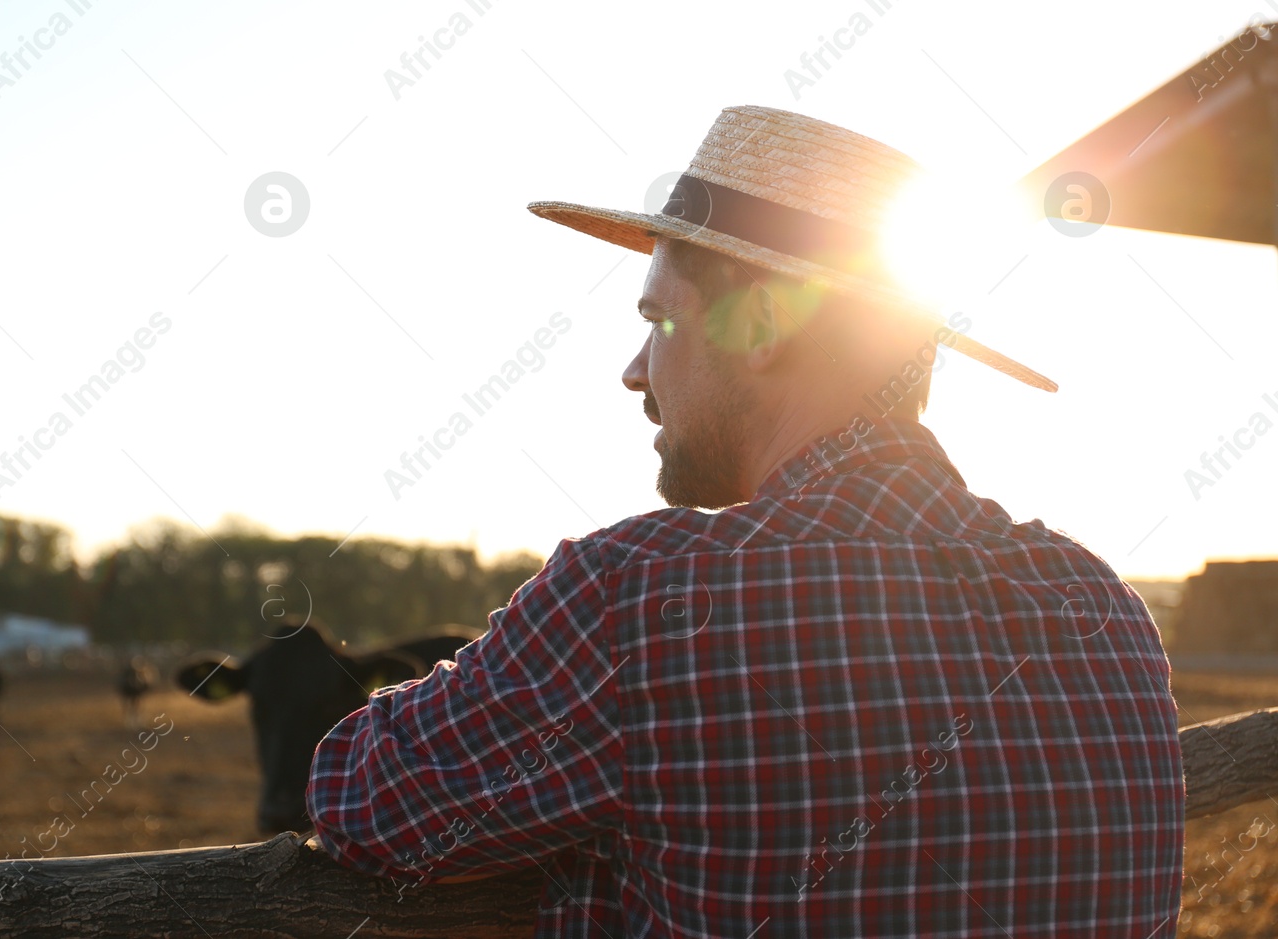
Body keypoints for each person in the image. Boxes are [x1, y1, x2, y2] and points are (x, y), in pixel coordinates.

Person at [306, 106, 1184, 937]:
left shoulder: (645, 597)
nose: (634, 371)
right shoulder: (1099, 607)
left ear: (762, 322)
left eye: (659, 320)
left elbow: (363, 801)